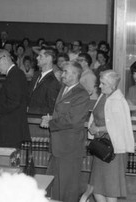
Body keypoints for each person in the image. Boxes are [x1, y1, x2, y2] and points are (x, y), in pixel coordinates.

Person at [41, 61, 90, 202]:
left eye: (66, 72)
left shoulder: (82, 94)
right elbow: (61, 113)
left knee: (67, 188)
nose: (62, 75)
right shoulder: (64, 88)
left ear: (75, 74)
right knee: (54, 185)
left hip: (70, 148)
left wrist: (50, 123)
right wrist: (50, 118)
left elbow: (72, 120)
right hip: (58, 146)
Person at [87, 69, 135, 202]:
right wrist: (92, 127)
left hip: (112, 148)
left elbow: (120, 126)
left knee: (110, 188)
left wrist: (98, 128)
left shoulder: (118, 100)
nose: (100, 86)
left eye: (103, 83)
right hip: (100, 146)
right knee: (97, 187)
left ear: (112, 85)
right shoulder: (103, 96)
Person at [0, 49, 30, 148]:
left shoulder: (15, 75)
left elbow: (13, 103)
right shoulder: (14, 74)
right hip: (10, 131)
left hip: (10, 132)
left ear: (3, 59)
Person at [28, 47, 61, 115]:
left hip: (37, 119)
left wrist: (30, 109)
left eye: (40, 56)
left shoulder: (53, 82)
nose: (37, 58)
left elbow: (51, 108)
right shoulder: (36, 74)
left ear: (49, 59)